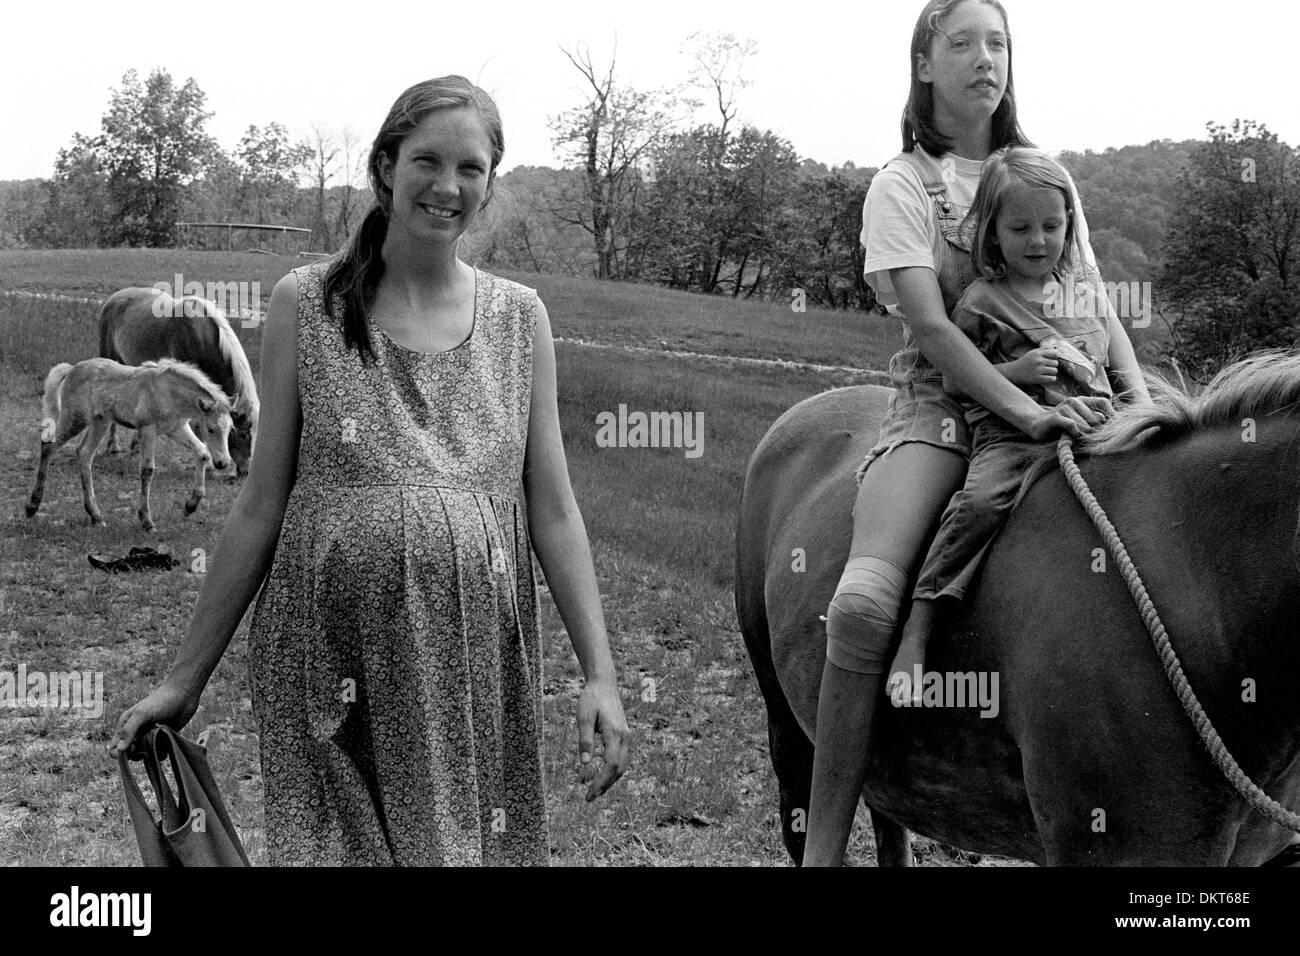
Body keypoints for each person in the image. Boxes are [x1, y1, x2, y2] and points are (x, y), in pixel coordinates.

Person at [107, 76, 630, 866]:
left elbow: (553, 509)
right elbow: (261, 502)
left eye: (471, 168)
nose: (446, 186)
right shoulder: (306, 304)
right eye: (426, 159)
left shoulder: (522, 320)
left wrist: (600, 675)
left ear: (490, 184)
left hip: (467, 662)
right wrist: (185, 679)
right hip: (326, 650)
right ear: (386, 167)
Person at [805, 0, 1128, 866]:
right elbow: (937, 332)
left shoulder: (1041, 174)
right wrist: (1024, 412)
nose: (986, 59)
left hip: (1067, 392)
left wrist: (1134, 399)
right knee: (866, 602)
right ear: (923, 63)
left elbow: (1089, 298)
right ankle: (823, 848)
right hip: (942, 408)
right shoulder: (902, 185)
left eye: (999, 43)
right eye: (963, 43)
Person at [888, 147, 1152, 706]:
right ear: (992, 233)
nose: (1038, 241)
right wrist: (1017, 371)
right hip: (1013, 436)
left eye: (1052, 226)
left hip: (1096, 431)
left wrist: (1142, 415)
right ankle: (919, 628)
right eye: (1021, 227)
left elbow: (1112, 368)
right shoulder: (983, 300)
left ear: (1069, 226)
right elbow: (958, 384)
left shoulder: (1085, 295)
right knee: (981, 504)